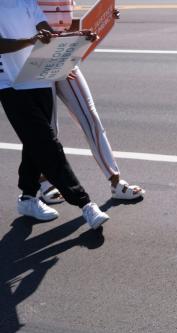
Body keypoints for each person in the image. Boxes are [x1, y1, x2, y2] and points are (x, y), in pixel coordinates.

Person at [0, 0, 108, 229]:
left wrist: (75, 39)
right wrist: (30, 41)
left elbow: (44, 30)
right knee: (47, 143)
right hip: (9, 83)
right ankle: (85, 203)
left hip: (38, 75)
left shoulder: (26, 2)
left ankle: (28, 197)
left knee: (35, 141)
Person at [37, 1, 144, 204]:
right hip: (38, 63)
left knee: (90, 117)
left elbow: (65, 24)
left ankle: (115, 181)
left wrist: (102, 19)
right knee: (47, 129)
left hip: (65, 58)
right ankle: (43, 181)